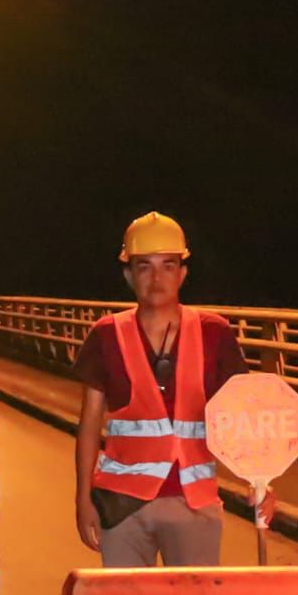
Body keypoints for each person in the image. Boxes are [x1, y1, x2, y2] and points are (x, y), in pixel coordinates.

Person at [72, 211, 274, 567]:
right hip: (122, 507)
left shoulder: (215, 334)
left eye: (168, 265)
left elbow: (244, 417)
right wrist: (82, 497)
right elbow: (89, 423)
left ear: (182, 273)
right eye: (144, 266)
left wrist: (260, 482)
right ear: (128, 275)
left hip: (193, 504)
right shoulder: (106, 335)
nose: (157, 278)